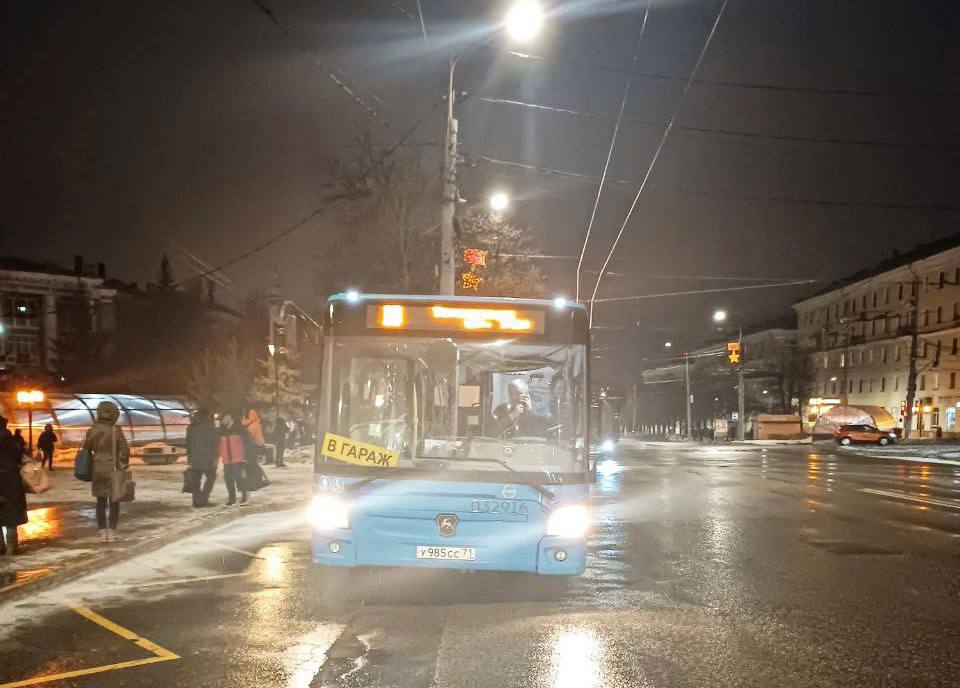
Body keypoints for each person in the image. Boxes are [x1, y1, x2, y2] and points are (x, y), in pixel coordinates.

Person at [81, 401, 130, 542]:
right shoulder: (116, 430)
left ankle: (102, 533)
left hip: (97, 469)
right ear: (114, 414)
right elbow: (124, 451)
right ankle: (112, 533)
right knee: (114, 501)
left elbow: (86, 447)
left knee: (100, 501)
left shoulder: (92, 430)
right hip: (113, 469)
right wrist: (122, 466)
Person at [0, 416, 28, 555]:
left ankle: (0, 547)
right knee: (11, 508)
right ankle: (12, 546)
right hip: (9, 477)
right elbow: (17, 454)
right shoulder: (6, 435)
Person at [186, 409, 219, 507]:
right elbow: (213, 443)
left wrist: (189, 458)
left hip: (194, 458)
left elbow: (188, 444)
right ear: (206, 415)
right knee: (211, 476)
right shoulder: (209, 426)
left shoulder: (190, 427)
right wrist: (215, 456)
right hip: (207, 458)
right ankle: (204, 499)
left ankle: (196, 501)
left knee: (196, 481)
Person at [218, 414, 248, 507]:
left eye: (225, 417)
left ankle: (244, 497)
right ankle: (232, 499)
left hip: (237, 459)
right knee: (228, 480)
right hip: (227, 459)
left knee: (239, 479)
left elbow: (246, 443)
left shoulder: (239, 428)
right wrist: (220, 454)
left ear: (231, 418)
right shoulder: (222, 430)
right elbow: (220, 445)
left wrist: (245, 456)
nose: (224, 419)